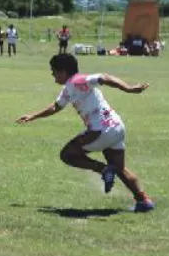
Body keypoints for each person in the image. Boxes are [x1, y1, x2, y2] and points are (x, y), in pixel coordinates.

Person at [16, 53, 155, 213]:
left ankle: (103, 170)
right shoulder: (68, 89)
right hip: (117, 128)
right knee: (119, 168)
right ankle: (143, 200)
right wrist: (33, 116)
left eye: (54, 71)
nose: (52, 74)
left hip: (100, 130)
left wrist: (128, 88)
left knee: (67, 154)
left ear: (63, 71)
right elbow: (56, 107)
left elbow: (104, 77)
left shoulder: (77, 80)